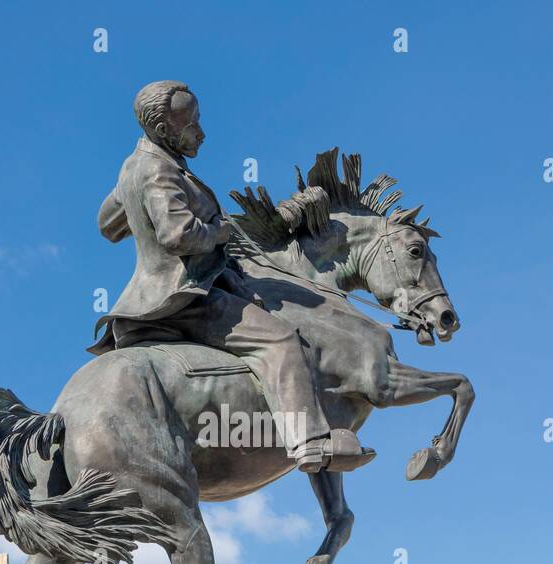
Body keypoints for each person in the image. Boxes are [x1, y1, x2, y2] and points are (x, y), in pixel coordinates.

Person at [91, 80, 372, 473]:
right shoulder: (160, 171)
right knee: (281, 340)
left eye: (198, 120)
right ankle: (311, 443)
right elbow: (178, 235)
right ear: (163, 131)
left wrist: (134, 200)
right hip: (184, 299)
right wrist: (219, 232)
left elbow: (107, 225)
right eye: (191, 125)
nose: (201, 132)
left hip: (142, 300)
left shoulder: (133, 167)